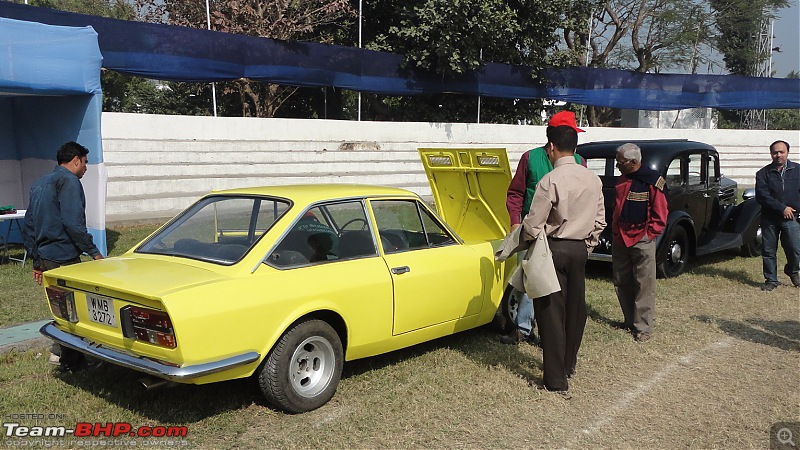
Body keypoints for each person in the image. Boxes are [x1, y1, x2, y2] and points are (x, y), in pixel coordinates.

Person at [520, 124, 606, 399]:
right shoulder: (592, 179)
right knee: (574, 310)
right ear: (575, 147)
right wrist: (587, 246)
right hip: (580, 249)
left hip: (554, 248)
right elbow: (600, 220)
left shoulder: (551, 180)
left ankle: (555, 380)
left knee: (550, 313)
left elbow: (534, 224)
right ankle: (568, 365)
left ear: (551, 148)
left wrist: (525, 240)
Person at [502, 111, 586, 346]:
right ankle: (523, 328)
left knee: (556, 287)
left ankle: (553, 331)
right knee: (530, 282)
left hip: (563, 236)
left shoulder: (580, 163)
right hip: (533, 232)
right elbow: (516, 193)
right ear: (553, 141)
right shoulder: (530, 158)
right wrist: (515, 223)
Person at [23, 141, 104, 367]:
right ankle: (71, 359)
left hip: (47, 256)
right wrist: (94, 253)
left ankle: (60, 351)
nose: (86, 168)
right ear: (76, 160)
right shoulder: (68, 181)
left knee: (59, 305)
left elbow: (29, 225)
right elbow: (73, 223)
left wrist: (37, 261)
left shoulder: (40, 182)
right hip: (64, 255)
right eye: (85, 163)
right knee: (73, 308)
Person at [611, 143, 668, 342]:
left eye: (620, 162)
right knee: (621, 280)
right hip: (620, 237)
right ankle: (629, 320)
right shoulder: (622, 180)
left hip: (641, 238)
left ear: (633, 162)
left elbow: (660, 213)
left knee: (644, 283)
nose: (617, 165)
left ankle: (642, 326)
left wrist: (649, 235)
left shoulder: (652, 182)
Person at [755, 140, 800, 291]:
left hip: (791, 217)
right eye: (775, 152)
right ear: (771, 154)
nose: (778, 155)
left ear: (788, 152)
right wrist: (782, 208)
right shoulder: (762, 174)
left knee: (794, 249)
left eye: (782, 152)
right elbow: (762, 196)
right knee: (768, 251)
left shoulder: (798, 170)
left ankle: (792, 271)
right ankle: (771, 280)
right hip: (770, 218)